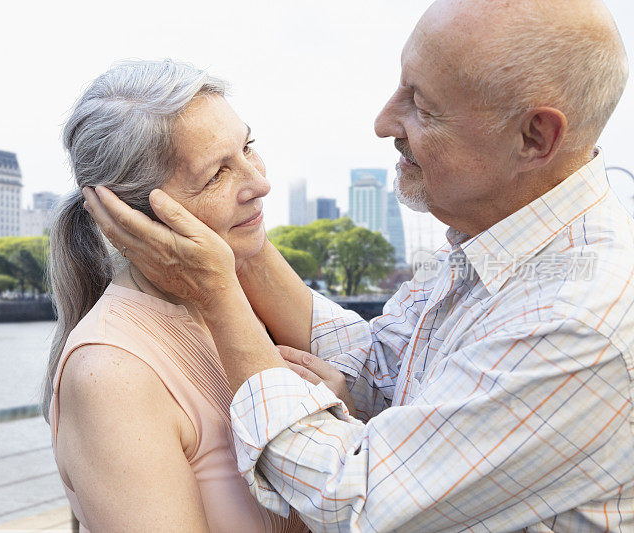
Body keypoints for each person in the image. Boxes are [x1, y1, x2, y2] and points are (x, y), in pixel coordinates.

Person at [82, 0, 634, 530]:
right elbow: (389, 362)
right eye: (216, 172)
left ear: (535, 136)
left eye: (423, 106)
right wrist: (242, 249)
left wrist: (219, 291)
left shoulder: (579, 319)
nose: (383, 120)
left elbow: (353, 498)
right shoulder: (500, 243)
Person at [43, 59, 308, 532]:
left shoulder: (242, 300)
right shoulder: (113, 374)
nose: (260, 183)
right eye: (216, 175)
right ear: (131, 217)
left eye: (249, 147)